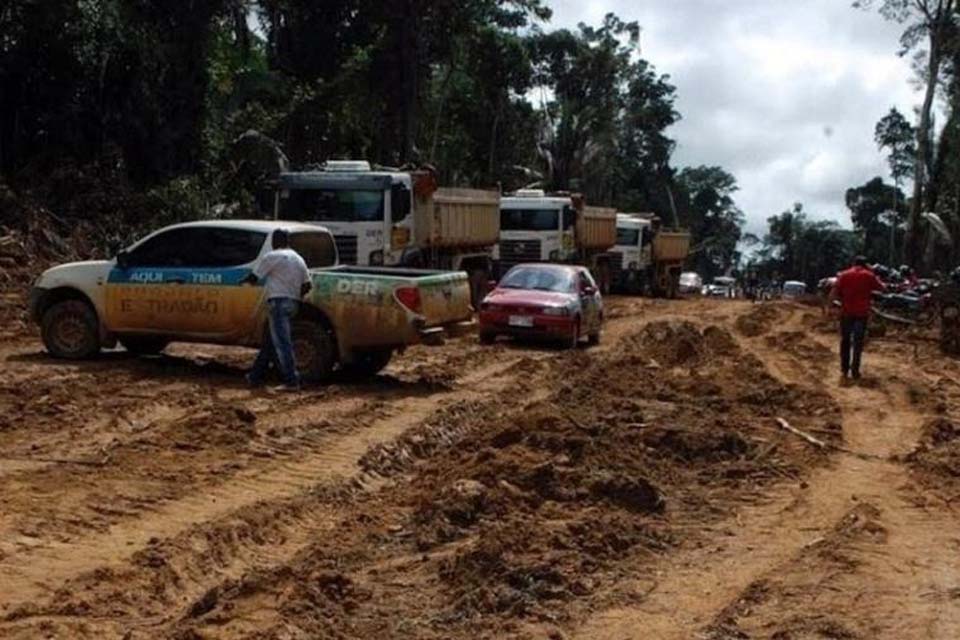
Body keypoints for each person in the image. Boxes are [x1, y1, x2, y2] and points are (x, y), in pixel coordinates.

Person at [244, 229, 312, 390]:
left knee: (282, 343)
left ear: (275, 241)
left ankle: (292, 381)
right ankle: (254, 376)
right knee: (271, 342)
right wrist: (294, 295)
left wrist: (242, 282)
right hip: (293, 303)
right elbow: (307, 285)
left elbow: (254, 278)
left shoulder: (272, 256)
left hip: (278, 304)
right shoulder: (298, 258)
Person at [830, 256, 884, 380]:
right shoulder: (869, 275)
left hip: (846, 313)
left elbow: (834, 292)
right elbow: (881, 287)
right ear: (865, 265)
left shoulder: (844, 275)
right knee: (858, 343)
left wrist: (830, 307)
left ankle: (844, 369)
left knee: (845, 341)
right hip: (862, 314)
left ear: (853, 263)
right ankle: (855, 371)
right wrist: (872, 272)